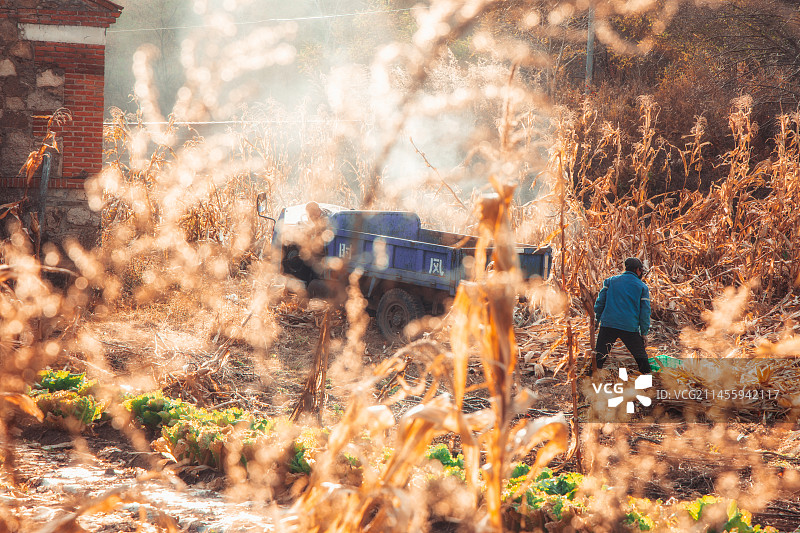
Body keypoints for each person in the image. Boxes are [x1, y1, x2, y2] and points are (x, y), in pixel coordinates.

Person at [593, 257, 652, 374]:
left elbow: (600, 303)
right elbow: (645, 313)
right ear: (637, 270)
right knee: (641, 358)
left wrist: (596, 321)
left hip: (608, 324)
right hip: (629, 327)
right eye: (641, 270)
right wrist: (644, 333)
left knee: (599, 356)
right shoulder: (642, 287)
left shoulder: (610, 281)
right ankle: (648, 385)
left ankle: (589, 381)